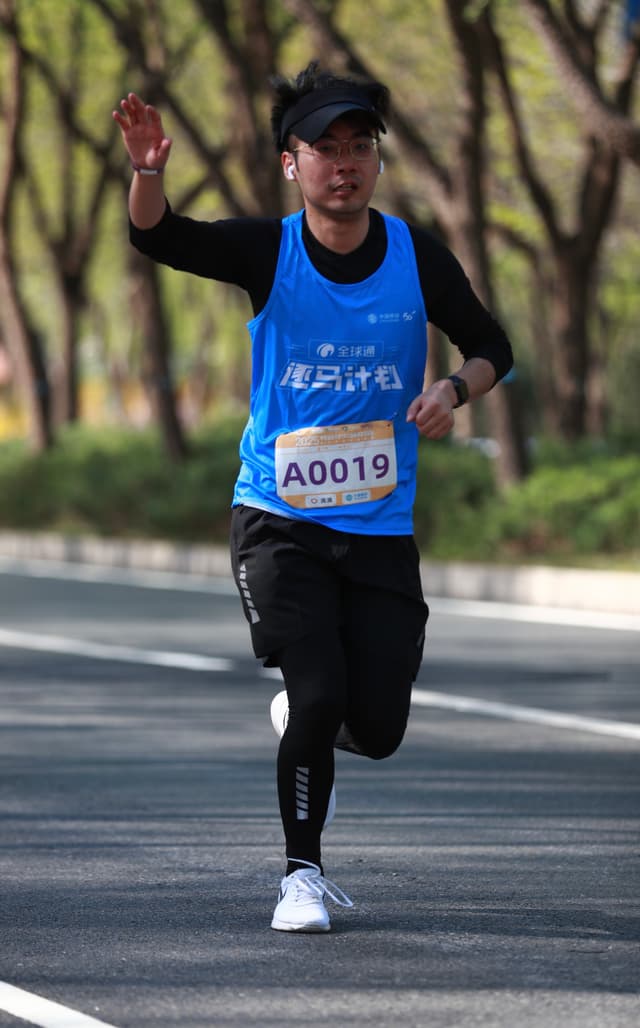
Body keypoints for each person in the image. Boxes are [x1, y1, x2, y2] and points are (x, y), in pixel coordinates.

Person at [113, 61, 513, 934]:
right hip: (279, 519)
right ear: (291, 164)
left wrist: (451, 390)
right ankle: (300, 876)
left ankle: (311, 713)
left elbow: (492, 344)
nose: (344, 162)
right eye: (323, 148)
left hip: (379, 525)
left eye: (358, 146)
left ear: (375, 159)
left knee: (378, 724)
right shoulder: (270, 250)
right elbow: (160, 238)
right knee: (322, 685)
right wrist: (147, 174)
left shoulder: (418, 256)